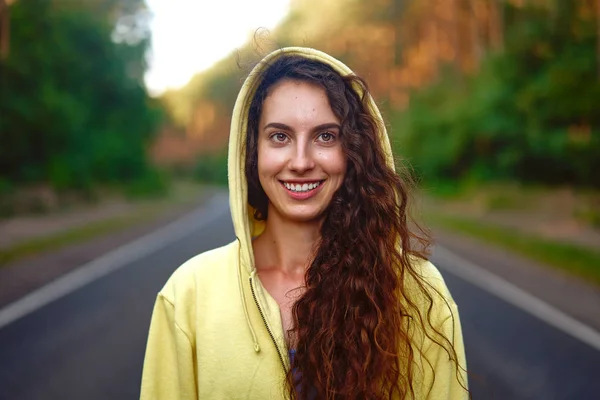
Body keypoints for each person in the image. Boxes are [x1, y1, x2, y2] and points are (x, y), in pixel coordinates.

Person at [140, 47, 469, 400]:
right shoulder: (188, 294)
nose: (300, 162)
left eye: (325, 136)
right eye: (279, 136)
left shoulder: (420, 292)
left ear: (354, 151)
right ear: (252, 151)